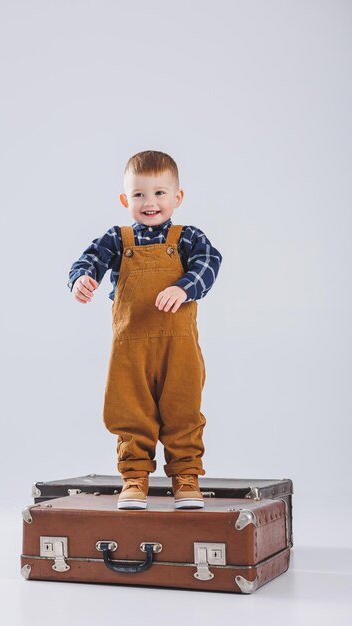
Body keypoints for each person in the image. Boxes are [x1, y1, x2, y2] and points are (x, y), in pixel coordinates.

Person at [68, 150, 222, 510]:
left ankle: (186, 476)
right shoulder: (118, 239)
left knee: (183, 408)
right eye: (139, 194)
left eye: (159, 193)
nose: (149, 202)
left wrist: (184, 286)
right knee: (128, 409)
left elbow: (210, 262)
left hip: (178, 347)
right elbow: (88, 259)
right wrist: (82, 279)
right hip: (130, 347)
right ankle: (134, 476)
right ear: (126, 199)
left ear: (177, 197)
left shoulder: (188, 237)